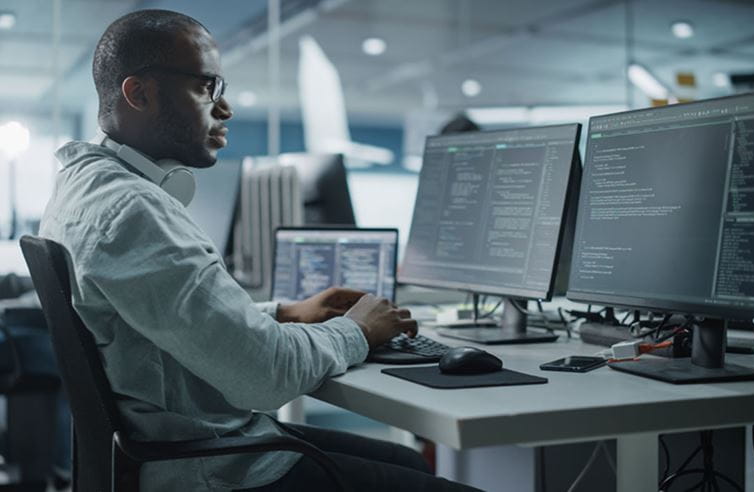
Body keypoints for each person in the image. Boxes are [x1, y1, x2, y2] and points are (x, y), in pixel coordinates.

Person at [39, 9, 479, 492]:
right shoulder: (134, 210)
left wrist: (284, 312)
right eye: (207, 87)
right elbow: (267, 377)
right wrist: (357, 330)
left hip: (178, 446)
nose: (224, 110)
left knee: (406, 461)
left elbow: (165, 320)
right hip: (212, 468)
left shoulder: (84, 187)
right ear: (137, 92)